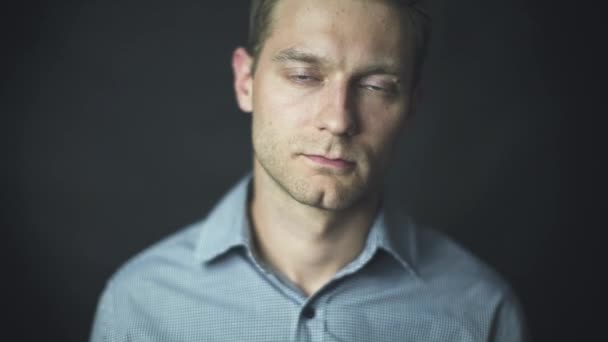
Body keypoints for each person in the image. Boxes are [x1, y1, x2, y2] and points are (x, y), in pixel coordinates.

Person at [90, 0, 527, 341]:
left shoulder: (481, 311)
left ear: (411, 105)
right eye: (303, 75)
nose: (338, 120)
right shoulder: (139, 302)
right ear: (246, 82)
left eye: (376, 87)